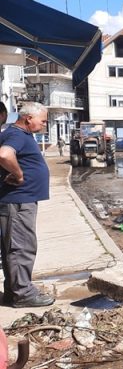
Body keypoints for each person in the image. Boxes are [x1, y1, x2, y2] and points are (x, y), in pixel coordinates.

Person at [0, 102, 54, 308]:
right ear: (28, 118)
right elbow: (4, 154)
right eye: (43, 121)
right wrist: (19, 174)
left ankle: (14, 291)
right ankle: (22, 294)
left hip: (19, 201)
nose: (44, 125)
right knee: (21, 247)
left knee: (14, 247)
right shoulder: (17, 135)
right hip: (18, 202)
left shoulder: (16, 134)